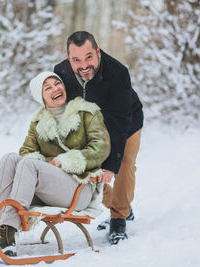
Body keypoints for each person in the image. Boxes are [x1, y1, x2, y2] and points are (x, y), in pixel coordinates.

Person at [0, 71, 110, 256]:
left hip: (79, 188)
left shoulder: (86, 112)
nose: (55, 88)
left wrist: (65, 161)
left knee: (28, 165)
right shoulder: (39, 122)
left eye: (57, 84)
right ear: (41, 97)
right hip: (50, 189)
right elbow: (25, 152)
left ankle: (8, 233)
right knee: (10, 158)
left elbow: (101, 147)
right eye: (48, 87)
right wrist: (49, 165)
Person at [54, 31, 143, 245]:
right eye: (76, 60)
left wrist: (111, 165)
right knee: (88, 170)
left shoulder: (118, 72)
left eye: (89, 57)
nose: (84, 66)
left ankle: (119, 218)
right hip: (89, 127)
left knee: (124, 163)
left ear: (97, 52)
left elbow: (120, 120)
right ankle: (121, 206)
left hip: (126, 122)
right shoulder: (61, 72)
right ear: (68, 59)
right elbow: (58, 109)